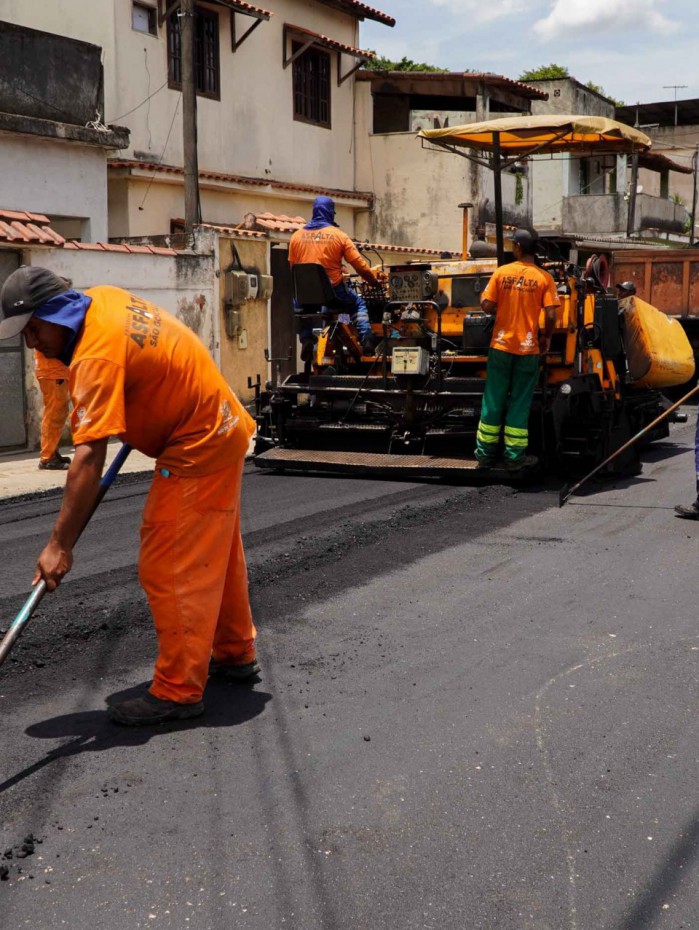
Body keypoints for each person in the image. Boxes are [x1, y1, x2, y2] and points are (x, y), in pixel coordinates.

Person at [0, 266, 259, 726]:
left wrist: (59, 545)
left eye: (34, 330)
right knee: (215, 554)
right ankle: (235, 652)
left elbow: (87, 457)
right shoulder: (102, 299)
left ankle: (179, 690)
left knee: (170, 559)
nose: (30, 343)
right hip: (221, 424)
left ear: (56, 314)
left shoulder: (96, 357)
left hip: (197, 442)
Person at [474, 228, 559, 471]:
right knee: (520, 403)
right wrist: (547, 337)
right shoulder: (544, 278)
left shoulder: (502, 273)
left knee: (493, 400)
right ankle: (513, 458)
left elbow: (487, 306)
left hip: (501, 346)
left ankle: (485, 455)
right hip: (528, 350)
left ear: (518, 247)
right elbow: (552, 313)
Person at [289, 196, 384, 360]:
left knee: (303, 308)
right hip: (333, 294)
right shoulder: (339, 236)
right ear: (331, 213)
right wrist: (373, 282)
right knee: (357, 303)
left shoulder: (296, 237)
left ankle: (306, 340)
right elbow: (360, 265)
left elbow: (294, 269)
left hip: (306, 296)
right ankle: (367, 340)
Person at [35, 349, 71, 470]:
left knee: (58, 413)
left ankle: (52, 452)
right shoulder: (50, 330)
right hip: (52, 372)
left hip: (54, 372)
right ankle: (48, 458)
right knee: (54, 414)